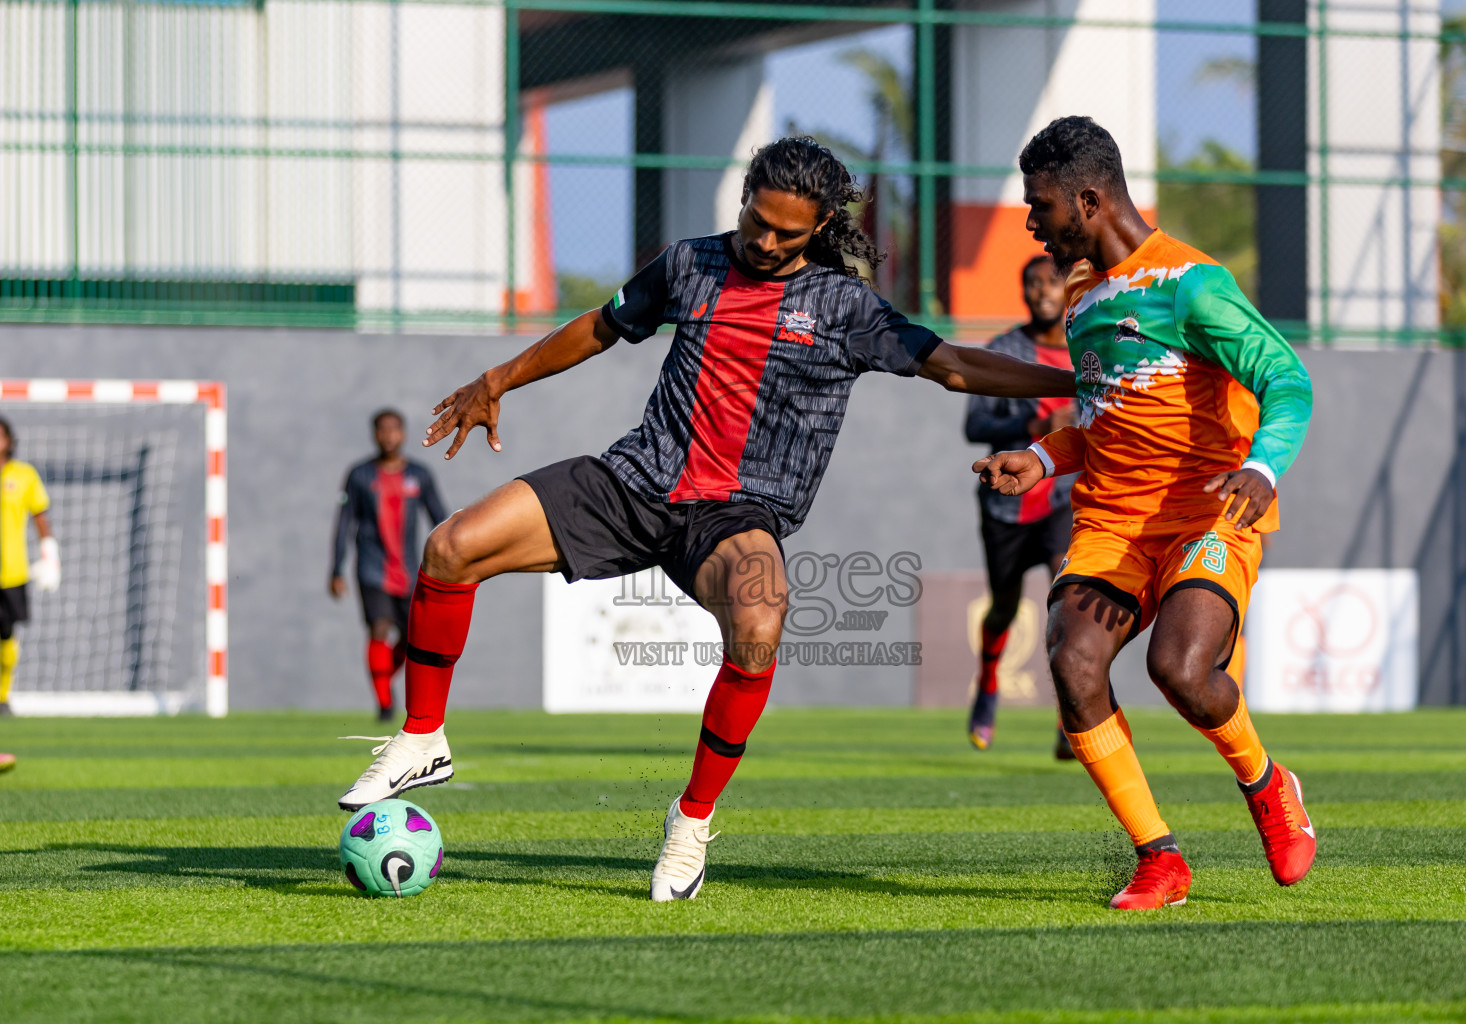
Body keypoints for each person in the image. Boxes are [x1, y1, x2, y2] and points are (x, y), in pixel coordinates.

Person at [336, 136, 1078, 902]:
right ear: (746, 199)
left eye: (787, 234)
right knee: (453, 546)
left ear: (819, 227)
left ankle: (690, 821)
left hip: (736, 515)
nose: (764, 241)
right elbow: (597, 327)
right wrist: (499, 379)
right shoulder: (689, 265)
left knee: (761, 623)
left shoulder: (845, 307)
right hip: (636, 480)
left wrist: (1071, 376)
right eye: (757, 220)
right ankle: (423, 735)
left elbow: (953, 365)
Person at [974, 116, 1316, 910]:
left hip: (1207, 513)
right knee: (1072, 663)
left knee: (1181, 671)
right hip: (1112, 523)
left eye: (1040, 206)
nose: (1032, 223)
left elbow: (1287, 380)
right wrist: (1043, 457)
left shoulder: (1194, 285)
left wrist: (1263, 467)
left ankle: (1267, 784)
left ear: (1088, 200)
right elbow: (1102, 424)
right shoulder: (1084, 299)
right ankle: (1159, 857)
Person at [962, 254, 1078, 757]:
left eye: (1052, 281)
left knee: (1066, 604)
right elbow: (974, 426)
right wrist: (1027, 432)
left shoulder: (1085, 345)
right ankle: (987, 685)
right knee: (1005, 607)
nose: (1042, 291)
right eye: (1032, 282)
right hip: (1007, 507)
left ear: (1068, 287)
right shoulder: (1006, 349)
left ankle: (1070, 718)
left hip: (1062, 501)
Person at [330, 409, 448, 721]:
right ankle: (384, 703)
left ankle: (385, 678)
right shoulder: (359, 475)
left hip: (409, 571)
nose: (388, 436)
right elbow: (343, 522)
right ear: (374, 435)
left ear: (404, 433)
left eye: (394, 430)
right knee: (379, 628)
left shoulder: (419, 475)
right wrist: (336, 569)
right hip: (371, 569)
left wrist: (456, 554)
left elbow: (440, 519)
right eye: (382, 430)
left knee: (414, 639)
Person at [0, 417, 60, 720]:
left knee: (6, 637)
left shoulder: (23, 476)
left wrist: (50, 553)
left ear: (9, 440)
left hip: (11, 572)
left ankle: (2, 697)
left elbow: (39, 514)